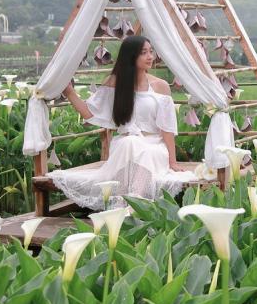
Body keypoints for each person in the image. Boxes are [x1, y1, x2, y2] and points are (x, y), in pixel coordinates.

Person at [50, 35, 199, 209]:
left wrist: (172, 162)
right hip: (125, 145)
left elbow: (166, 128)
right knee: (129, 142)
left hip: (154, 146)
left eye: (151, 52)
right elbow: (90, 113)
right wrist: (69, 93)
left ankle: (128, 203)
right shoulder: (114, 84)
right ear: (131, 56)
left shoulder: (160, 86)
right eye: (144, 53)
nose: (150, 56)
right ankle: (133, 204)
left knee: (135, 147)